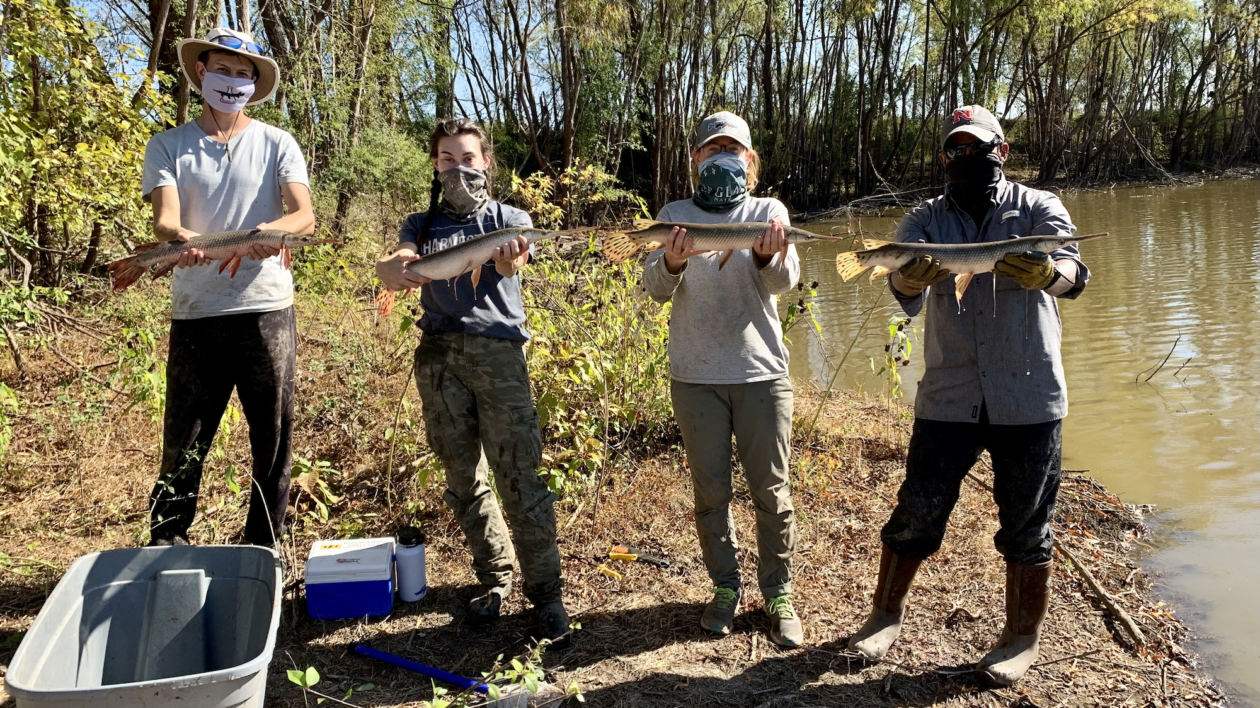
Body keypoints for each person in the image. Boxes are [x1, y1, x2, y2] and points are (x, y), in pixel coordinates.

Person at [847, 105, 1089, 685]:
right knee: (917, 509)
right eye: (955, 149)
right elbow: (900, 288)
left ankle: (1020, 636)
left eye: (976, 147)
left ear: (1000, 151)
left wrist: (1046, 275)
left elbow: (1076, 273)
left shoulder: (1038, 208)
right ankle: (885, 613)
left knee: (1029, 524)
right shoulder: (925, 218)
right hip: (950, 394)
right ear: (944, 158)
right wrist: (908, 276)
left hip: (1028, 395)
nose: (965, 158)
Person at [374, 118, 571, 647]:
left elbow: (515, 267)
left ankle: (546, 594)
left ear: (486, 162)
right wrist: (389, 268)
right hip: (438, 357)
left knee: (520, 477)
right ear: (435, 166)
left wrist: (511, 256)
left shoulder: (511, 218)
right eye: (446, 159)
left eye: (467, 158)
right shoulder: (420, 223)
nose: (457, 167)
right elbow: (395, 264)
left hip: (499, 358)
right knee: (463, 476)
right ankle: (496, 577)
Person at [142, 28, 315, 547]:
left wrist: (272, 234)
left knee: (274, 438)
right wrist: (182, 237)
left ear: (255, 84)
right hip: (197, 313)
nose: (231, 81)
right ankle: (167, 541)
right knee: (184, 439)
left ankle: (265, 545)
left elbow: (304, 215)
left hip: (266, 309)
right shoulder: (168, 145)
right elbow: (165, 221)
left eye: (243, 74)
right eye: (222, 69)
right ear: (201, 71)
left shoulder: (277, 142)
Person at [642, 111, 803, 648]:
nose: (722, 157)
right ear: (696, 159)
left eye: (732, 149)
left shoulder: (767, 211)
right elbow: (655, 289)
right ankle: (726, 588)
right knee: (711, 494)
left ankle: (778, 594)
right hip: (695, 378)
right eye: (713, 149)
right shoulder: (674, 214)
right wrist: (670, 259)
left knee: (772, 492)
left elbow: (785, 280)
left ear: (749, 160)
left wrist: (765, 252)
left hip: (761, 373)